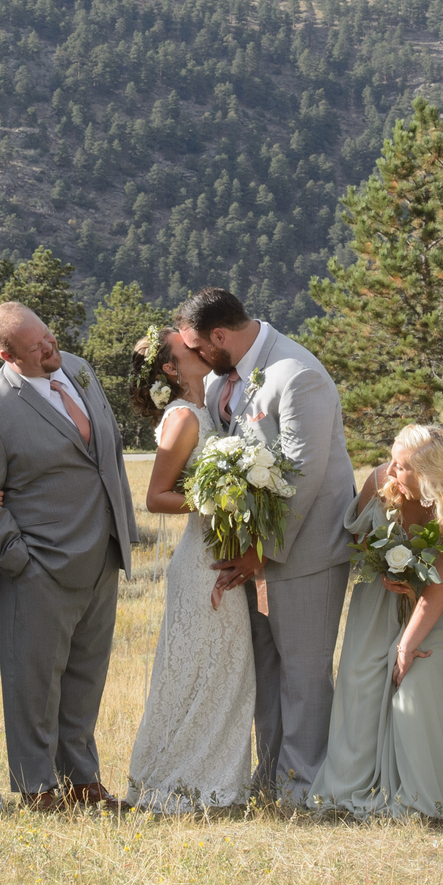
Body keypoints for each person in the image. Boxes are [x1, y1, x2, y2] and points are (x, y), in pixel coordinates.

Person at [0, 302, 135, 811]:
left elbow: (108, 454)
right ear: (8, 355)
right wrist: (19, 559)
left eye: (50, 336)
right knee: (32, 685)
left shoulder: (77, 368)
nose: (51, 348)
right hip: (39, 567)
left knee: (86, 679)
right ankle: (36, 789)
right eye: (38, 347)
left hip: (104, 552)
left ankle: (83, 782)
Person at [178, 287, 353, 805]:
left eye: (198, 347)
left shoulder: (297, 375)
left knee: (304, 672)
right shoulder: (218, 380)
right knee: (266, 672)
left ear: (221, 336)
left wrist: (261, 552)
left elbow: (303, 475)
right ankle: (272, 778)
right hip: (250, 552)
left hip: (308, 552)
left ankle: (306, 788)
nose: (195, 357)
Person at [310, 424, 443, 824]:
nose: (390, 473)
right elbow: (360, 540)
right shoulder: (383, 479)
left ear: (430, 474)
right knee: (362, 683)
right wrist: (382, 564)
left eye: (402, 468)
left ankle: (429, 801)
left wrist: (407, 645)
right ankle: (349, 792)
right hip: (383, 599)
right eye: (393, 462)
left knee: (417, 690)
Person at [125, 326, 257, 813]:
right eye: (188, 349)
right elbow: (156, 496)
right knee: (197, 671)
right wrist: (218, 498)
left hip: (219, 551)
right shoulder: (183, 417)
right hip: (201, 559)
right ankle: (179, 783)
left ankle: (214, 781)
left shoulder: (215, 402)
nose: (201, 349)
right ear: (170, 368)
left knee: (224, 670)